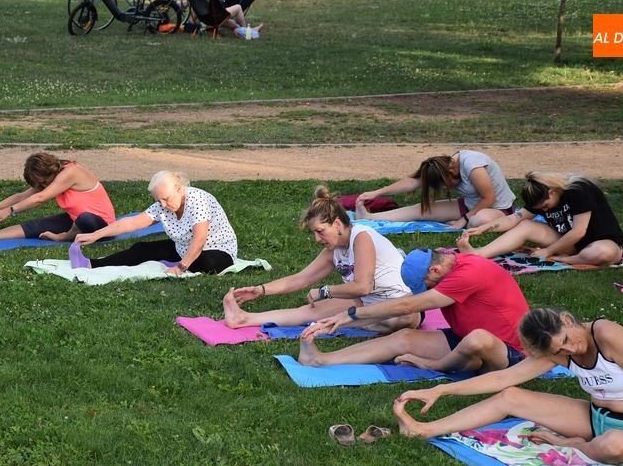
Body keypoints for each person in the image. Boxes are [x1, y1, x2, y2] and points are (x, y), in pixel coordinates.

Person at [393, 308, 623, 465]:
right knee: (510, 396)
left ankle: (577, 446)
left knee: (612, 447)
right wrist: (439, 390)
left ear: (566, 319)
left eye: (566, 339)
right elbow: (501, 379)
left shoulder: (607, 334)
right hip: (594, 419)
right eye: (559, 349)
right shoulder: (558, 349)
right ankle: (423, 430)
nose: (570, 349)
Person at [222, 185, 418, 334]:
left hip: (400, 304)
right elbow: (300, 279)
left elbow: (362, 286)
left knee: (398, 321)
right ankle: (242, 318)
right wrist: (261, 290)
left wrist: (326, 291)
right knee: (309, 312)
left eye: (320, 232)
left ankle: (348, 320)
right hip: (369, 303)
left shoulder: (361, 237)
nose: (317, 239)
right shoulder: (334, 249)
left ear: (338, 224)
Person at [298, 248, 529, 373]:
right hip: (465, 338)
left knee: (475, 347)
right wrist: (343, 319)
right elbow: (400, 306)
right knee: (404, 337)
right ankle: (320, 360)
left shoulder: (469, 273)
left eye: (426, 286)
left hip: (509, 352)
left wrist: (351, 315)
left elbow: (407, 306)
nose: (424, 291)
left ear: (436, 270)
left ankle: (437, 365)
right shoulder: (449, 263)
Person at [71, 171, 237, 275]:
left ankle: (181, 263)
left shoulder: (198, 200)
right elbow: (132, 223)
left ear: (179, 188)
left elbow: (200, 239)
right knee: (141, 249)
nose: (163, 205)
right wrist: (95, 235)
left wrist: (181, 268)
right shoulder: (163, 205)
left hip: (217, 250)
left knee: (208, 263)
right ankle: (93, 264)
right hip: (184, 247)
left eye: (165, 199)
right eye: (159, 201)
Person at [457, 172, 623, 267]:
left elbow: (579, 231)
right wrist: (482, 228)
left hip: (600, 242)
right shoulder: (541, 197)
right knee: (525, 225)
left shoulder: (579, 190)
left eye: (545, 206)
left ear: (552, 192)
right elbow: (513, 219)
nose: (544, 211)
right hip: (570, 245)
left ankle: (563, 260)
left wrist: (548, 251)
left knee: (603, 253)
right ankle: (478, 253)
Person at [0, 152, 115, 244]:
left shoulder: (72, 172)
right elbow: (22, 196)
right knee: (37, 225)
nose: (43, 186)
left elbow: (40, 198)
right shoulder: (52, 176)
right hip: (75, 221)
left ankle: (62, 237)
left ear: (51, 170)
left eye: (44, 182)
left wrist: (9, 211)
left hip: (102, 227)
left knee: (85, 219)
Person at [352, 150, 516, 229]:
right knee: (421, 210)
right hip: (470, 205)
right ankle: (369, 216)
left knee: (479, 221)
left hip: (498, 208)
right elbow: (411, 182)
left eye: (445, 184)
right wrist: (377, 192)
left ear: (451, 173)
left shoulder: (473, 165)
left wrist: (462, 220)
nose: (445, 189)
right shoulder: (442, 167)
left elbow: (489, 198)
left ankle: (469, 223)